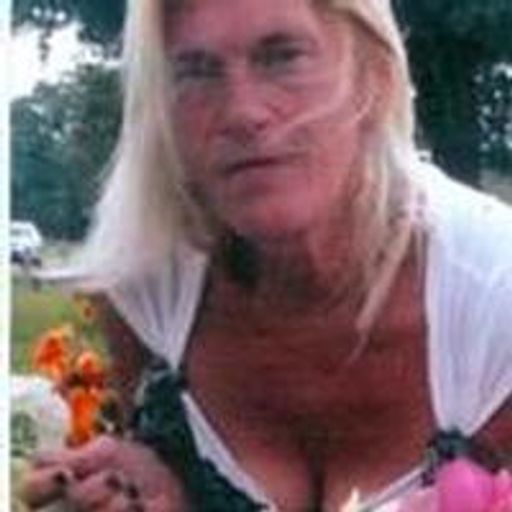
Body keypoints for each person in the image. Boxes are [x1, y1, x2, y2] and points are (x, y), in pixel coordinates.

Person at [22, 0, 512, 510]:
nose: (242, 112)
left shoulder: (496, 306)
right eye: (197, 71)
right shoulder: (146, 284)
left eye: (283, 57)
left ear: (375, 77)